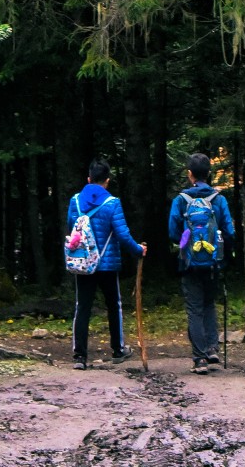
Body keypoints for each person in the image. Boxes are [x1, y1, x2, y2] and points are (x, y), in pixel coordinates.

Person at [64, 157, 146, 370]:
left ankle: (79, 356)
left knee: (82, 307)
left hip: (83, 263)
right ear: (107, 181)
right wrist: (139, 250)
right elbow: (122, 234)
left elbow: (71, 227)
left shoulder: (75, 201)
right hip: (107, 264)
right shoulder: (112, 203)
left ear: (88, 179)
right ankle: (118, 350)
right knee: (114, 305)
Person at [169, 152, 235, 374]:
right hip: (213, 263)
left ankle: (199, 359)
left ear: (190, 174)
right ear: (209, 174)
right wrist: (224, 257)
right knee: (209, 304)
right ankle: (212, 348)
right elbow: (229, 231)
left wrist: (187, 245)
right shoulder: (219, 199)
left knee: (194, 308)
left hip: (189, 263)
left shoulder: (180, 200)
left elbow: (172, 232)